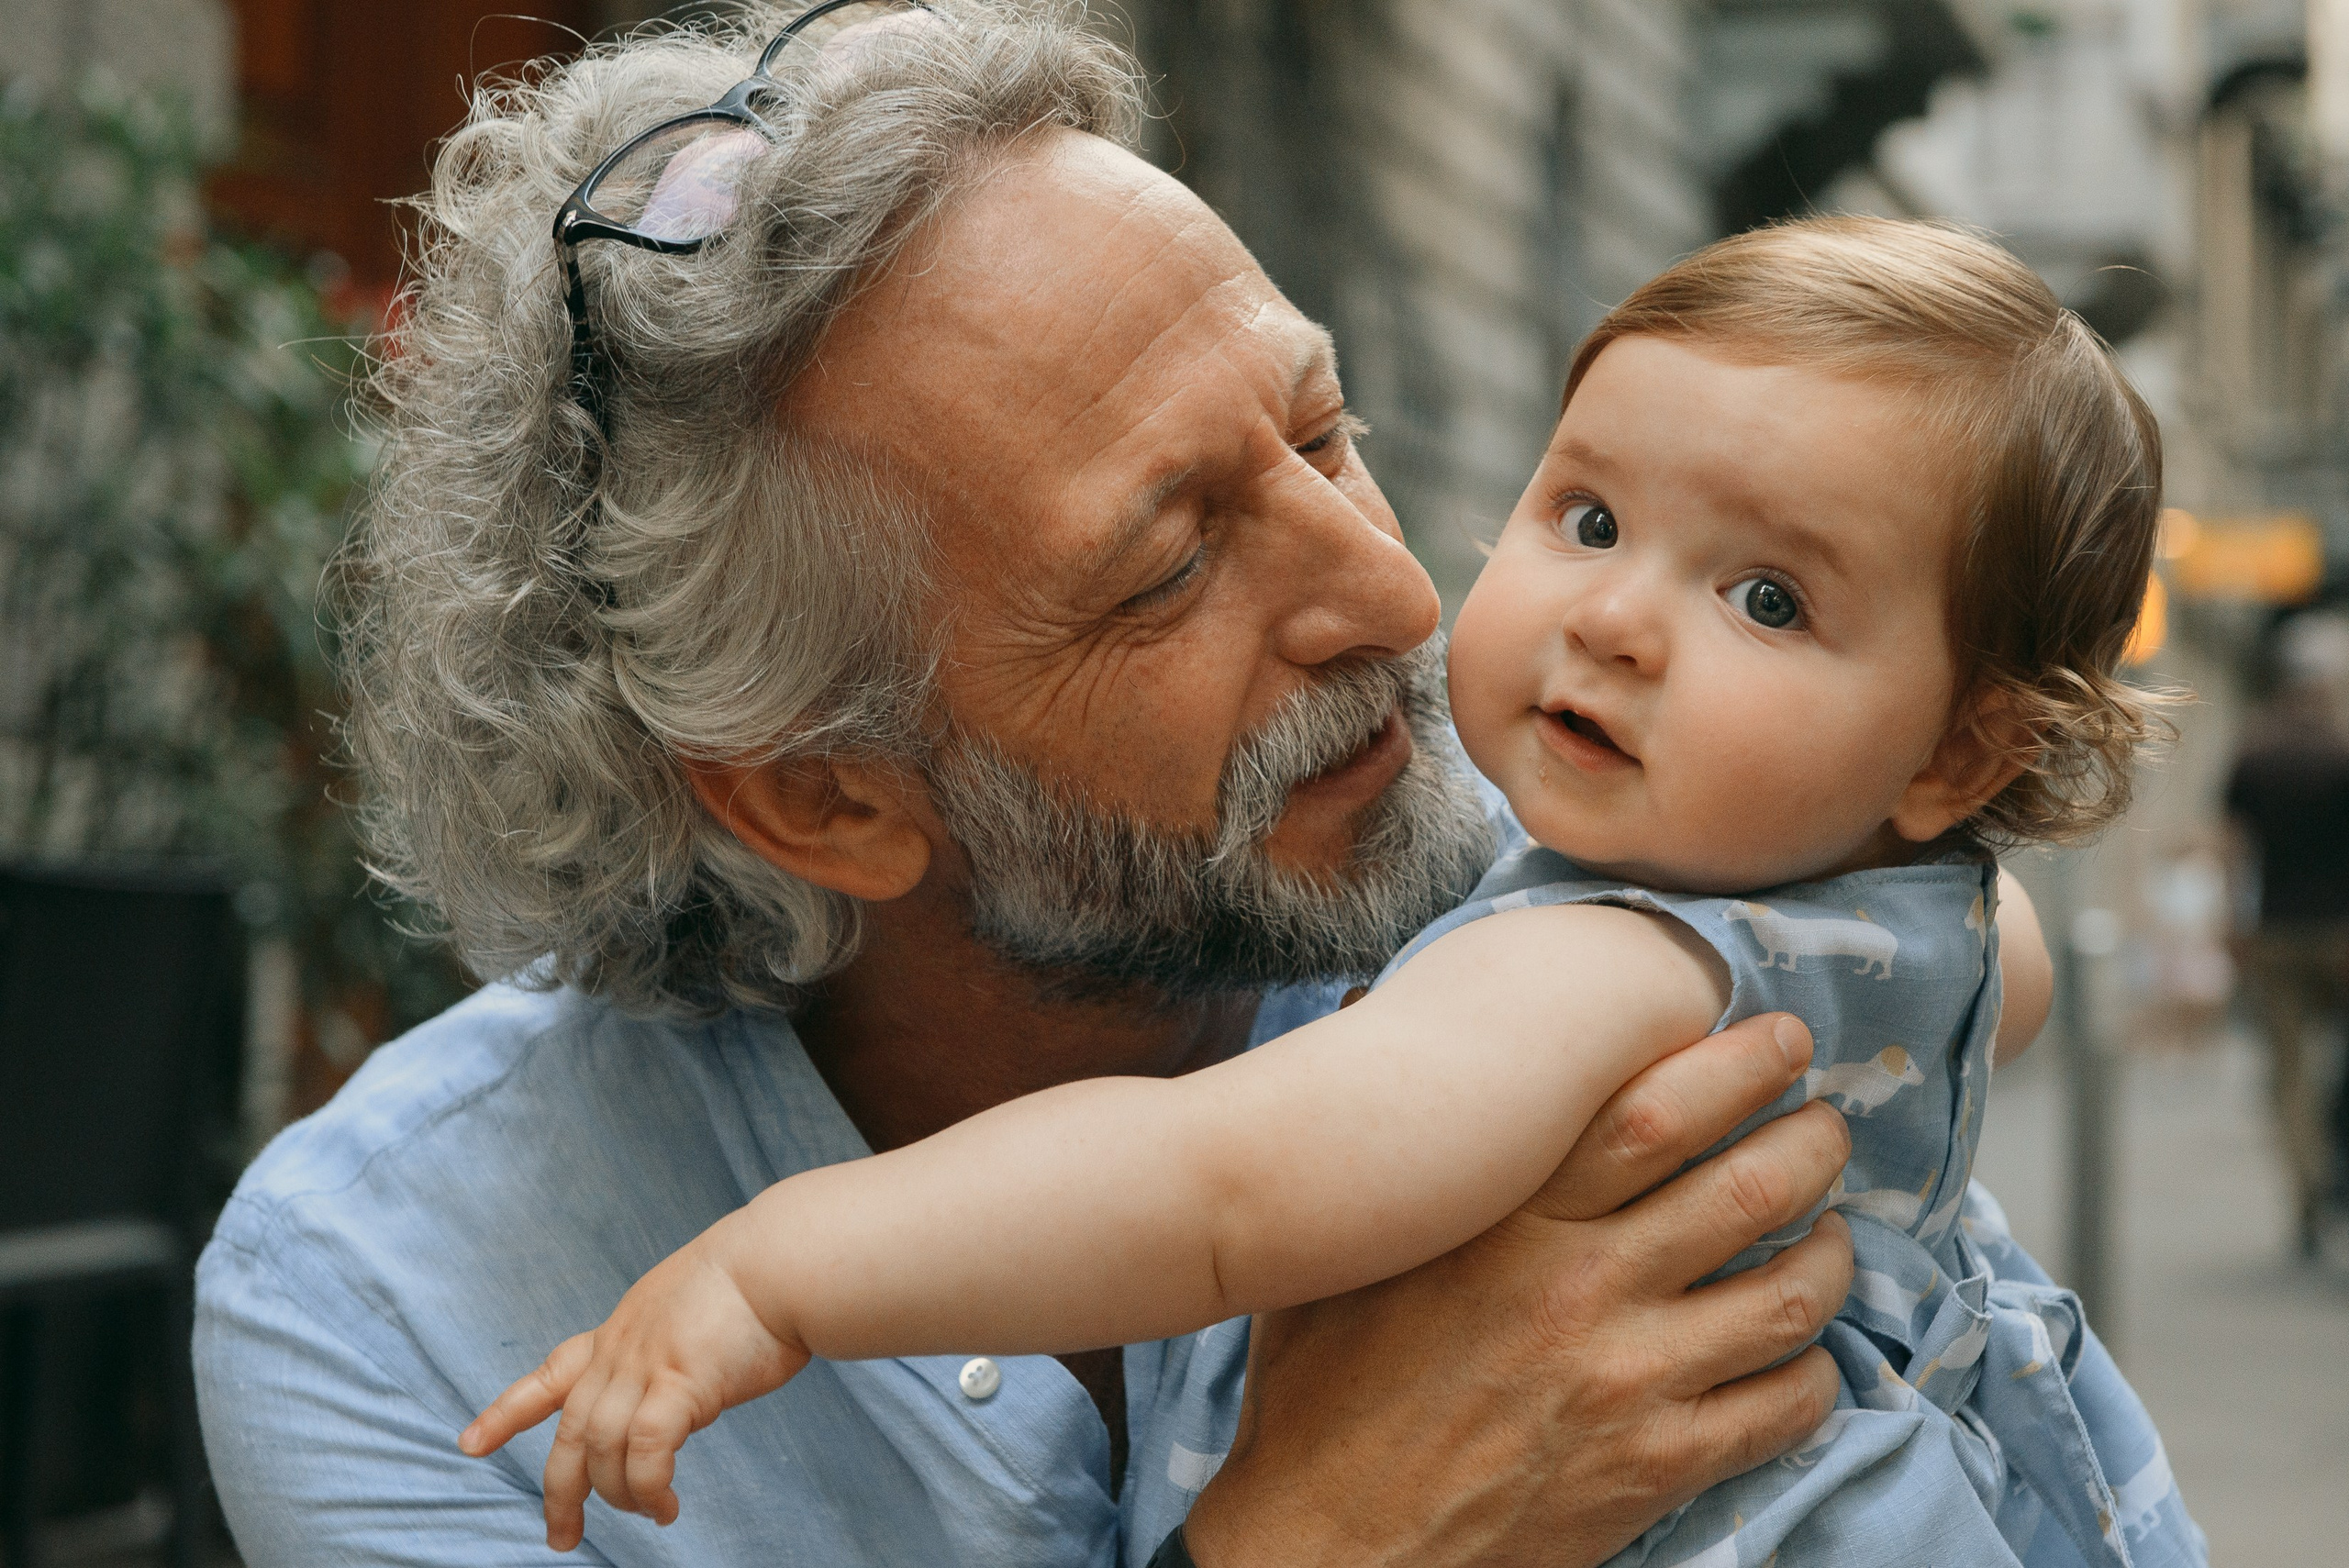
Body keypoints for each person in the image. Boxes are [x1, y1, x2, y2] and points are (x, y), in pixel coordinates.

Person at [197, 6, 1997, 1563]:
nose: (1389, 594)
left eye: (1317, 432)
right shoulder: (395, 1303)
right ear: (818, 796)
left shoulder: (1615, 889)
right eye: (1163, 567)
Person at [467, 220, 2205, 1568]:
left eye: (1766, 598)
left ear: (1960, 756)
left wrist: (784, 1270)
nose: (1611, 617)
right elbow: (2015, 987)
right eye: (1589, 517)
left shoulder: (1597, 971)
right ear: (817, 791)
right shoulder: (1924, 916)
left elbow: (1217, 1184)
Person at [2225, 611, 2349, 1257]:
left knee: (2290, 1072)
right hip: (2339, 935)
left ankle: (2306, 1191)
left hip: (2275, 932)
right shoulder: (2342, 755)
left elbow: (2233, 850)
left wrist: (2233, 925)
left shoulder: (2256, 756)